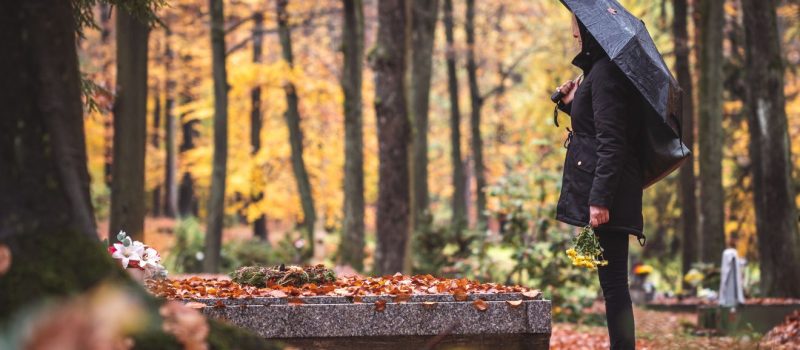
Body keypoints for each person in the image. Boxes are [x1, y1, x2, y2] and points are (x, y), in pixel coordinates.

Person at [554, 14, 646, 350]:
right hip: (609, 187)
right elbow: (593, 127)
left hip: (612, 191)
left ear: (591, 32)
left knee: (615, 287)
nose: (574, 33)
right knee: (612, 285)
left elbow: (612, 141)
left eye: (577, 27)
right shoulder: (597, 72)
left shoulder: (606, 74)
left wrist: (599, 199)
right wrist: (569, 104)